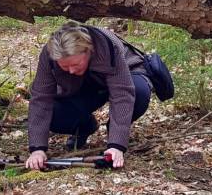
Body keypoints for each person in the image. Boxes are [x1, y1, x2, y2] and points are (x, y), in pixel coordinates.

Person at [24, 21, 152, 170]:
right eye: (65, 66)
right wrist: (37, 149)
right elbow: (40, 99)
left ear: (88, 50)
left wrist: (116, 145)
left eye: (75, 64)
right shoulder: (49, 55)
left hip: (126, 75)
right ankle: (85, 126)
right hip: (83, 86)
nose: (70, 70)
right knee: (54, 113)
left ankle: (115, 131)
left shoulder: (108, 47)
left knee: (139, 93)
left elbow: (122, 95)